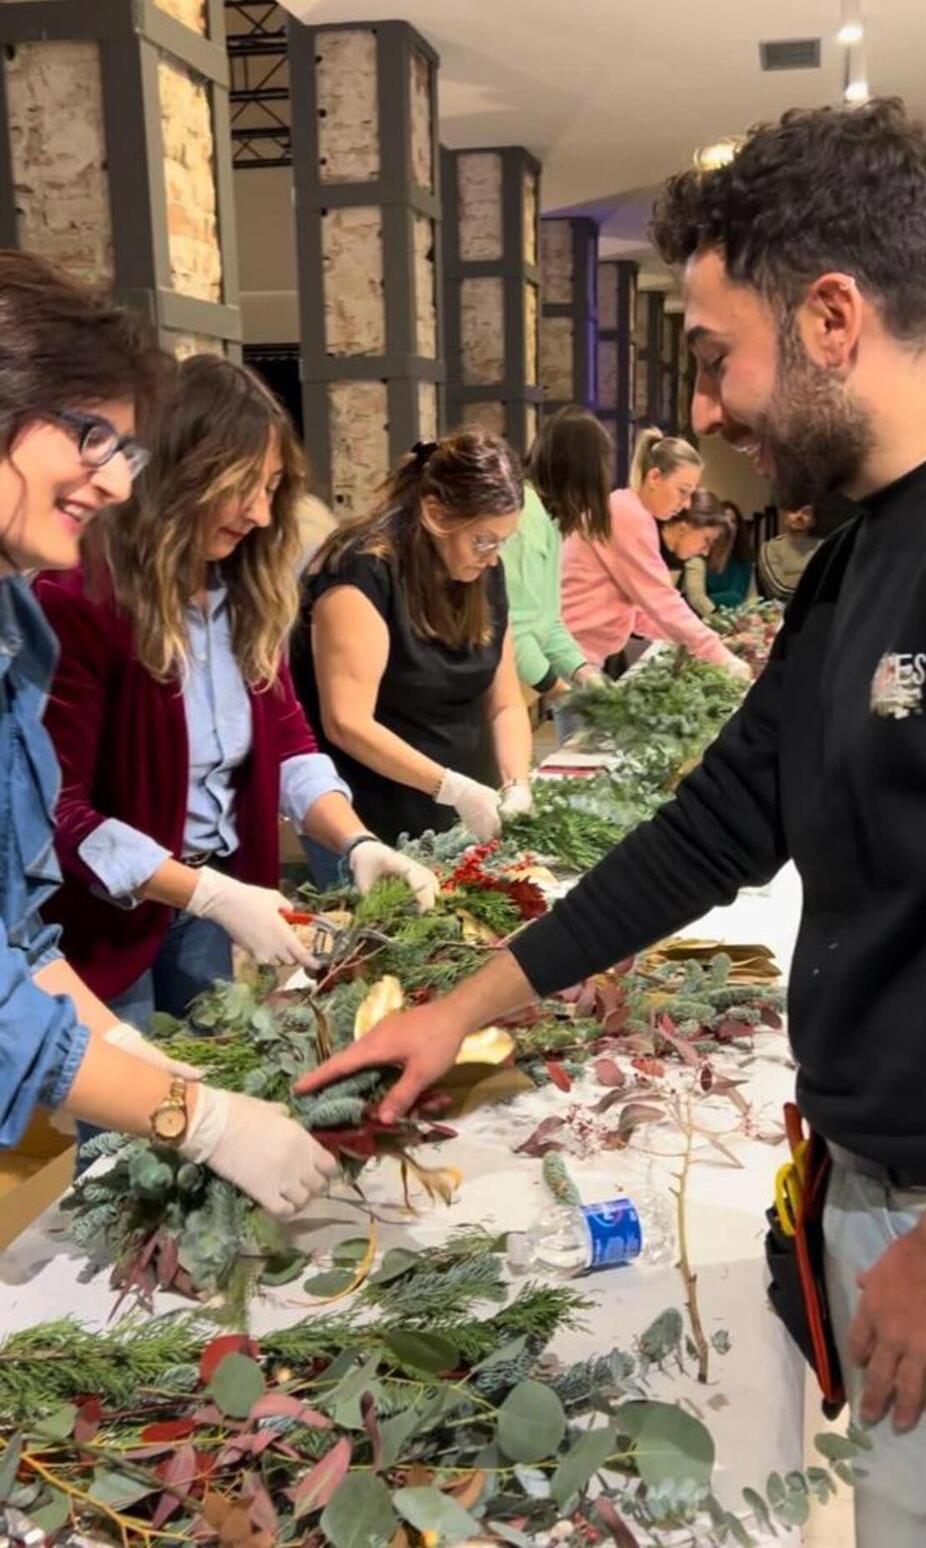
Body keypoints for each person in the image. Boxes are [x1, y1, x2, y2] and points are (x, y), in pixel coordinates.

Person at [298, 99, 926, 1543]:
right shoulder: (859, 552)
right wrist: (462, 1007)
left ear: (828, 318)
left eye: (715, 356)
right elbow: (714, 827)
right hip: (895, 1191)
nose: (710, 408)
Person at [0, 250, 335, 1217]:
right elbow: (59, 831)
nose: (110, 480)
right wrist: (192, 1112)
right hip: (120, 916)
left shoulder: (22, 621)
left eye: (125, 450)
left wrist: (147, 1071)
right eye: (91, 436)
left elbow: (18, 941)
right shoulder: (73, 604)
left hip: (165, 918)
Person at [36, 355, 437, 1030]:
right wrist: (211, 893)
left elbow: (289, 747)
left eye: (272, 487)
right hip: (106, 923)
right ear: (178, 474)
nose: (257, 512)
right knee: (129, 1116)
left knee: (210, 1084)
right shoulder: (81, 602)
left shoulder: (242, 594)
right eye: (240, 486)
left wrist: (358, 841)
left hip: (206, 906)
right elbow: (59, 812)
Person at [290, 431, 532, 877]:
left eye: (503, 541)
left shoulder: (482, 573)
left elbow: (505, 702)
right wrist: (450, 787)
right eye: (483, 540)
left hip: (461, 819)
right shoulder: (361, 572)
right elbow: (347, 723)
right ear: (436, 514)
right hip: (373, 822)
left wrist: (516, 783)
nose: (493, 557)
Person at [560, 427, 749, 678]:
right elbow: (662, 601)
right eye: (683, 491)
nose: (686, 504)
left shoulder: (628, 509)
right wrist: (720, 655)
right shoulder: (628, 513)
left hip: (581, 654)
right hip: (574, 654)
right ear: (655, 477)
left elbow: (639, 610)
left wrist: (692, 641)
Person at [501, 406, 607, 699]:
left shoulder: (547, 518)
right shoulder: (525, 519)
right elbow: (516, 628)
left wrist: (581, 669)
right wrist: (560, 690)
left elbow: (546, 618)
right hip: (496, 684)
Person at [682, 498, 758, 616]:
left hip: (740, 622)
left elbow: (752, 598)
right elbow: (696, 598)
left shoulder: (744, 561)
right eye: (724, 521)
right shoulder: (699, 556)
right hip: (705, 620)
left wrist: (749, 618)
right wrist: (718, 619)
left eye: (733, 521)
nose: (729, 526)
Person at [756, 500, 820, 601]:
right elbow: (779, 590)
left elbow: (830, 585)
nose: (799, 516)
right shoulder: (770, 548)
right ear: (784, 516)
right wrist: (813, 581)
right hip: (783, 612)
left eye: (806, 512)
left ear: (813, 521)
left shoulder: (823, 546)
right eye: (794, 510)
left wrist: (790, 578)